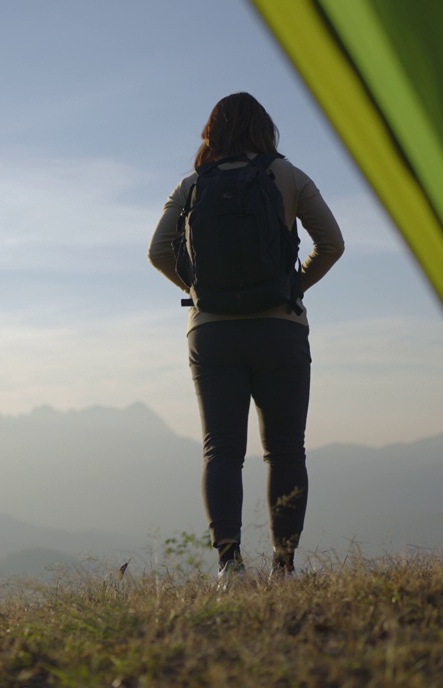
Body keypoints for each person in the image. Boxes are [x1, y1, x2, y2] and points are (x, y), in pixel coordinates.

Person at [148, 92, 344, 580]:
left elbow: (157, 251)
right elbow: (332, 244)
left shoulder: (193, 185)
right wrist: (291, 285)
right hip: (280, 328)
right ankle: (284, 567)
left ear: (211, 133)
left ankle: (229, 566)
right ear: (265, 129)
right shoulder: (288, 176)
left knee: (221, 450)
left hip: (212, 334)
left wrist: (198, 290)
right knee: (284, 449)